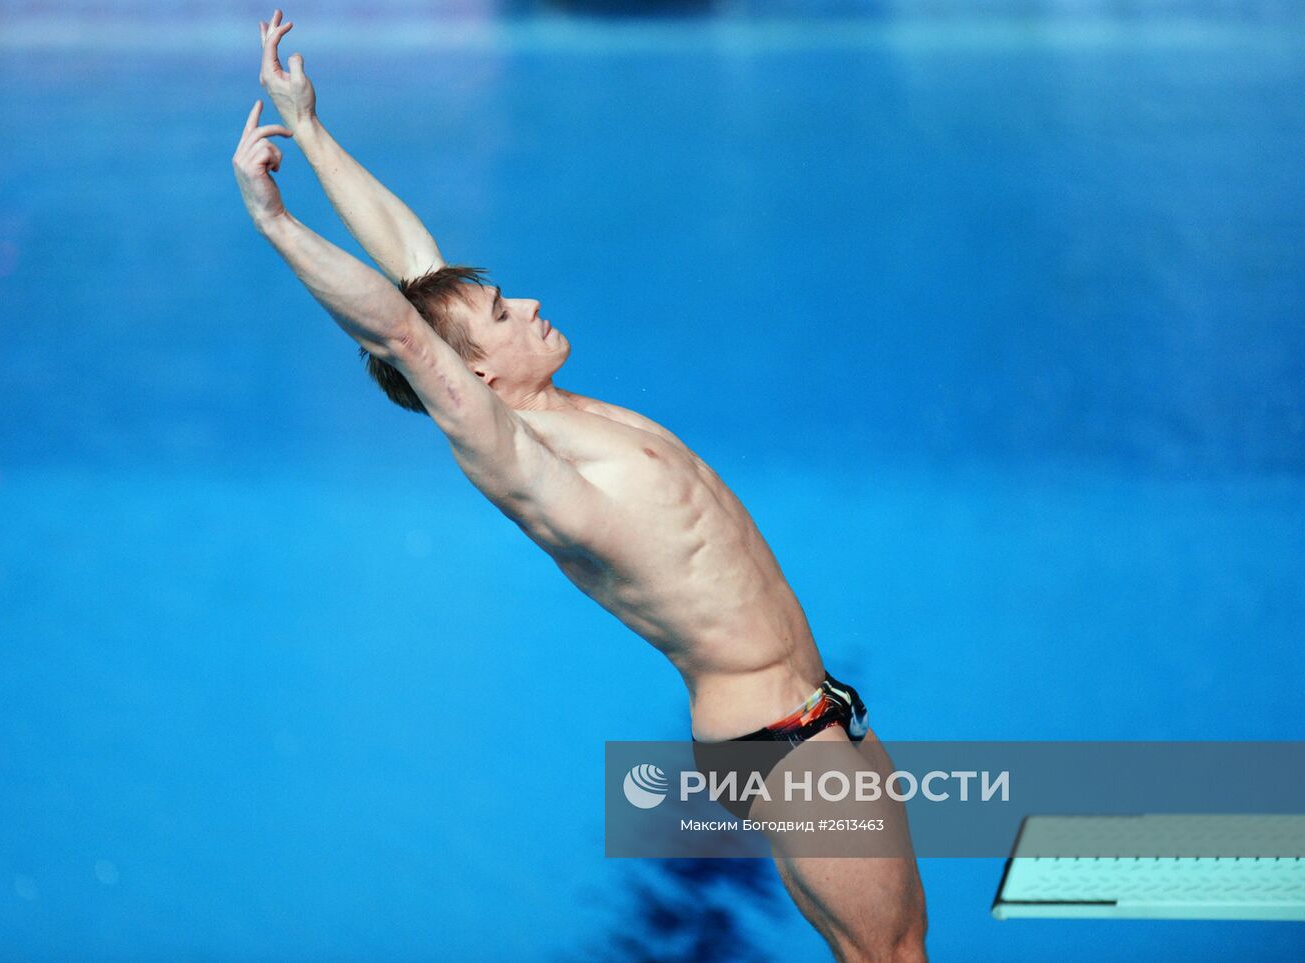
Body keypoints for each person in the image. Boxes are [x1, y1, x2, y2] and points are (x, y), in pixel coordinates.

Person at [232, 11, 927, 960]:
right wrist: (274, 220)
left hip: (813, 708)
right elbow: (400, 326)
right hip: (778, 733)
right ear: (470, 376)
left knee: (897, 945)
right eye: (505, 313)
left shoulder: (554, 408)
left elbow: (419, 269)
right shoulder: (520, 458)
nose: (531, 306)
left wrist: (307, 129)